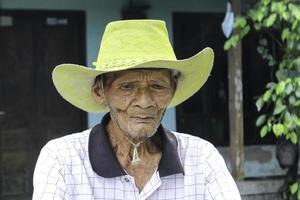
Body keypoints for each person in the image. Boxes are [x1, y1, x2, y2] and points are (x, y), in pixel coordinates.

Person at [32, 19, 241, 200]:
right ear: (99, 91)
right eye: (127, 87)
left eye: (157, 86)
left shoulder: (202, 158)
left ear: (173, 89)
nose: (144, 102)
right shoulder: (62, 159)